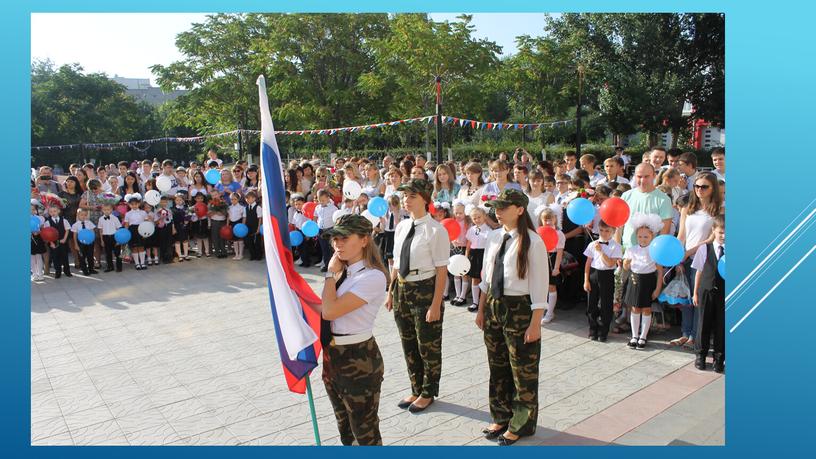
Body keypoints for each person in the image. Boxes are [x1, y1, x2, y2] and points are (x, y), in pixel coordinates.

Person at [475, 189, 548, 446]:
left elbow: (540, 286)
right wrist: (482, 309)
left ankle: (521, 423)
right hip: (495, 305)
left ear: (519, 210)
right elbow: (486, 277)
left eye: (504, 206)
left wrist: (535, 322)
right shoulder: (494, 236)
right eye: (496, 206)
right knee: (497, 366)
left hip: (519, 310)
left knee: (522, 370)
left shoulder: (533, 242)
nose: (498, 210)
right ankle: (500, 415)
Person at [318, 214, 389, 446]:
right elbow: (323, 308)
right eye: (335, 238)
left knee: (364, 431)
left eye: (345, 238)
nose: (338, 243)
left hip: (358, 358)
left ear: (364, 240)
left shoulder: (373, 276)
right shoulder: (344, 273)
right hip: (333, 356)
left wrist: (329, 272)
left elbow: (330, 311)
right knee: (345, 429)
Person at [388, 178, 449, 413]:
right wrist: (391, 292)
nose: (407, 200)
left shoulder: (436, 230)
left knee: (428, 345)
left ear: (425, 199)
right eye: (405, 196)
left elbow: (442, 270)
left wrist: (436, 304)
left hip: (425, 288)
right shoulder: (403, 226)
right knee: (408, 342)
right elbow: (395, 262)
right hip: (403, 288)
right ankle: (415, 387)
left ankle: (428, 391)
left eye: (412, 196)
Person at [673, 172, 723, 349]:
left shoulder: (719, 209)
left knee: (698, 299)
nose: (700, 190)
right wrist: (678, 255)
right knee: (686, 297)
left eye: (704, 187)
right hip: (685, 257)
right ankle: (685, 333)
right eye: (697, 186)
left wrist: (690, 252)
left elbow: (711, 238)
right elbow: (681, 234)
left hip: (704, 259)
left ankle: (696, 335)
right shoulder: (688, 207)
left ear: (713, 188)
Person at [622, 213, 664, 350]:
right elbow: (626, 267)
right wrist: (626, 263)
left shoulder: (655, 251)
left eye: (646, 236)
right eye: (640, 236)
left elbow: (659, 271)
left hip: (649, 280)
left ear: (652, 236)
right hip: (635, 279)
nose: (643, 239)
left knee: (646, 308)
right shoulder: (631, 250)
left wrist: (657, 289)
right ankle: (634, 336)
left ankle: (643, 336)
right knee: (635, 307)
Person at [692, 214, 725, 373]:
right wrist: (695, 293)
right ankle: (700, 355)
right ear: (714, 231)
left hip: (724, 293)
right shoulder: (704, 248)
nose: (724, 236)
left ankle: (719, 358)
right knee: (703, 324)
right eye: (720, 232)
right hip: (706, 290)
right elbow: (698, 271)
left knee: (721, 325)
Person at [583, 221, 622, 341]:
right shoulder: (592, 244)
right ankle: (592, 329)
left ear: (613, 232)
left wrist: (601, 251)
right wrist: (586, 280)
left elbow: (610, 263)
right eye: (601, 230)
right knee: (592, 304)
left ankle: (603, 330)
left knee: (606, 304)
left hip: (607, 275)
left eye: (607, 231)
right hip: (594, 274)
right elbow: (588, 263)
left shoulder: (616, 246)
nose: (604, 233)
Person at [538, 206, 565, 324]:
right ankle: (541, 309)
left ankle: (550, 313)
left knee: (551, 286)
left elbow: (559, 251)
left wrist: (556, 267)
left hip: (553, 259)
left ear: (555, 219)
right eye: (545, 220)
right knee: (541, 286)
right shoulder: (538, 231)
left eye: (550, 219)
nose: (548, 222)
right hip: (542, 258)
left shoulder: (559, 233)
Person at [464, 206, 490, 312]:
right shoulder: (471, 230)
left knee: (484, 278)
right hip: (474, 254)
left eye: (479, 217)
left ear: (484, 217)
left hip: (484, 254)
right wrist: (466, 256)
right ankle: (475, 302)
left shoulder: (489, 231)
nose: (477, 220)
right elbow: (469, 244)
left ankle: (484, 302)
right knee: (475, 278)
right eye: (474, 218)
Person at [449, 201, 470, 306]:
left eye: (460, 213)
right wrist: (452, 240)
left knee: (463, 273)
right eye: (456, 213)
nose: (458, 215)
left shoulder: (467, 223)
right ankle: (457, 295)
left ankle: (463, 296)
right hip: (455, 248)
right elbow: (450, 234)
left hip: (464, 248)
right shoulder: (453, 222)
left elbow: (469, 237)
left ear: (465, 212)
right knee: (455, 272)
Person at [43, 204, 72, 278]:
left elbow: (67, 230)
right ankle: (58, 272)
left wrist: (65, 239)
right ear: (49, 213)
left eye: (55, 211)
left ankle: (67, 271)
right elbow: (46, 234)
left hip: (63, 242)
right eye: (51, 212)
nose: (53, 213)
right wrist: (51, 243)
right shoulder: (47, 222)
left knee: (65, 257)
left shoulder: (64, 220)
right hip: (53, 243)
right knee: (55, 258)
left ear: (58, 211)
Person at [315, 189, 339, 272]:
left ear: (328, 198)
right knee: (324, 248)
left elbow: (337, 219)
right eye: (319, 200)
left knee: (331, 248)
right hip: (321, 230)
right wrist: (315, 227)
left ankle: (334, 265)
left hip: (330, 230)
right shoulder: (317, 207)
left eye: (323, 200)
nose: (321, 202)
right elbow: (315, 217)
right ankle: (326, 265)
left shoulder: (333, 208)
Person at [124, 194, 148, 270]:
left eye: (136, 204)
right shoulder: (128, 214)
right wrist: (126, 234)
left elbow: (146, 223)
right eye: (132, 204)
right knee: (134, 247)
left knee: (141, 246)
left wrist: (146, 232)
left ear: (139, 204)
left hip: (141, 230)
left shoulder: (143, 212)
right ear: (129, 205)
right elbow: (127, 225)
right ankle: (137, 263)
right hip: (132, 230)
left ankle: (142, 263)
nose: (134, 206)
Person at [71, 208, 98, 276]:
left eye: (85, 215)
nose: (83, 216)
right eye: (81, 215)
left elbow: (92, 232)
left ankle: (91, 269)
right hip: (80, 243)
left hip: (90, 242)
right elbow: (74, 236)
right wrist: (76, 245)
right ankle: (84, 270)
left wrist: (93, 243)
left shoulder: (89, 223)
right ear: (78, 215)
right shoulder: (75, 225)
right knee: (82, 257)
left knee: (90, 256)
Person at [97, 203, 123, 272]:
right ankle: (110, 266)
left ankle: (119, 267)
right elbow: (100, 230)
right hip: (106, 237)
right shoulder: (101, 219)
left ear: (111, 210)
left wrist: (118, 240)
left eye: (108, 209)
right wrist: (102, 240)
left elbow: (119, 229)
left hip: (114, 237)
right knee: (108, 253)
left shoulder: (115, 218)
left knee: (117, 253)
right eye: (105, 210)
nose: (106, 211)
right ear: (102, 210)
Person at [208, 190, 229, 258]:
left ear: (219, 194)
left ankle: (223, 251)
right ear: (211, 196)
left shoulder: (223, 203)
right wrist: (215, 212)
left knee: (222, 237)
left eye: (216, 194)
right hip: (214, 222)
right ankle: (217, 252)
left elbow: (225, 213)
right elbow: (209, 214)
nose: (215, 196)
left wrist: (221, 212)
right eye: (213, 195)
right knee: (215, 237)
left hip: (222, 222)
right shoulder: (210, 204)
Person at [171, 194, 191, 262]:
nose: (178, 201)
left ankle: (186, 254)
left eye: (180, 200)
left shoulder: (186, 208)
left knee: (185, 240)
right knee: (177, 241)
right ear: (175, 201)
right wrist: (173, 228)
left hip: (185, 226)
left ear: (183, 201)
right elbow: (172, 220)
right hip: (177, 227)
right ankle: (179, 255)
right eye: (177, 200)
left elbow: (189, 216)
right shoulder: (172, 209)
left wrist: (187, 221)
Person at [190, 193, 210, 258]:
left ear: (203, 199)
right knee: (198, 238)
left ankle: (207, 252)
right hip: (197, 222)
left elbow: (208, 216)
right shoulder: (193, 207)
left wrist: (209, 224)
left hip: (204, 222)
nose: (200, 199)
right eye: (198, 198)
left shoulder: (205, 206)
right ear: (195, 199)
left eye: (201, 198)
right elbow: (191, 217)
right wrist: (195, 214)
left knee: (205, 238)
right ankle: (199, 252)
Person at [227, 192, 246, 260]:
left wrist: (243, 226)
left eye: (235, 199)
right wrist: (227, 225)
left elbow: (244, 217)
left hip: (239, 224)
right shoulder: (229, 207)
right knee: (234, 240)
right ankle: (236, 254)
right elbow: (228, 217)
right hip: (232, 224)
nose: (233, 201)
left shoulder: (242, 207)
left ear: (238, 199)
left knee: (240, 239)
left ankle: (241, 254)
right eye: (231, 199)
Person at [31, 201, 47, 282]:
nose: (31, 211)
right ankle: (34, 274)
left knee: (39, 256)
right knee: (32, 258)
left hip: (38, 238)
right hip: (30, 239)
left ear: (35, 210)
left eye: (33, 209)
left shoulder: (40, 218)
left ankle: (40, 273)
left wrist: (38, 231)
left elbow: (42, 228)